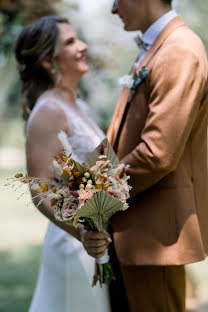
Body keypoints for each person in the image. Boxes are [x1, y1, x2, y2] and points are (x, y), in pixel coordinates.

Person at [85, 0, 208, 311]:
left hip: (156, 234)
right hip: (134, 229)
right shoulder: (156, 48)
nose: (113, 9)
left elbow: (157, 153)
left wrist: (96, 195)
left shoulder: (178, 49)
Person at [15, 16, 111, 312]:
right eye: (70, 42)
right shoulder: (48, 111)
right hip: (73, 248)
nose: (82, 46)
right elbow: (40, 191)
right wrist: (82, 233)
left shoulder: (78, 105)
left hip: (96, 244)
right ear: (47, 60)